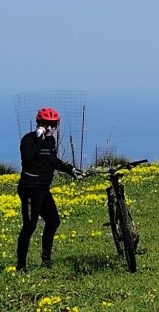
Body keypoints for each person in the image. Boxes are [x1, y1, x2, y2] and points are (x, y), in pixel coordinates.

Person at [17, 108, 83, 272]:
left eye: (54, 125)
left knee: (53, 221)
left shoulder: (51, 142)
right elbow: (27, 157)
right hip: (30, 188)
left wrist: (71, 169)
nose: (50, 129)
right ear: (39, 124)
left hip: (43, 188)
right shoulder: (29, 139)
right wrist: (39, 139)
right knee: (30, 226)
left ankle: (46, 261)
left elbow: (52, 160)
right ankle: (21, 266)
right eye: (47, 125)